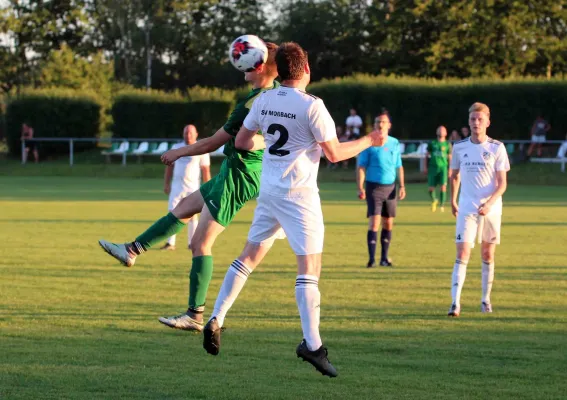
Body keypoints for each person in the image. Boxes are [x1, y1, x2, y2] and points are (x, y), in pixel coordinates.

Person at [200, 42, 382, 378]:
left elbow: (240, 142)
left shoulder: (265, 99)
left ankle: (217, 317)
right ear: (307, 70)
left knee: (248, 257)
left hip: (269, 191)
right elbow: (335, 154)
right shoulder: (313, 105)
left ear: (279, 72)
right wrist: (370, 140)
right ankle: (312, 345)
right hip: (299, 196)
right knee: (309, 268)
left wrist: (267, 141)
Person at [98, 42, 280, 332]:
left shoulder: (250, 104)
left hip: (239, 175)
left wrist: (179, 152)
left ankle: (195, 315)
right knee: (183, 208)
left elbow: (211, 143)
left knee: (200, 243)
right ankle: (131, 250)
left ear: (257, 66)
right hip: (235, 170)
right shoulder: (275, 93)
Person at [448, 102, 510, 317]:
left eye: (480, 119)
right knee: (463, 252)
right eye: (473, 119)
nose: (476, 122)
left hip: (491, 209)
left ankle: (485, 300)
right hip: (467, 207)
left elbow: (502, 183)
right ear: (469, 121)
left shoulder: (496, 148)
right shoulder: (459, 147)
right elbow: (454, 175)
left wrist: (490, 203)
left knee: (487, 253)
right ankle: (455, 303)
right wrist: (453, 201)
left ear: (487, 122)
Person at [356, 111, 406, 268]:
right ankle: (371, 259)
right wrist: (360, 187)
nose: (380, 124)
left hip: (390, 187)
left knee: (388, 223)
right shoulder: (369, 143)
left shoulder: (394, 143)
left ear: (389, 125)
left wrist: (402, 185)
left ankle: (384, 258)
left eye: (383, 122)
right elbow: (361, 167)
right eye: (377, 122)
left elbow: (399, 165)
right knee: (374, 222)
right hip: (373, 187)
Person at [161, 124, 211, 251]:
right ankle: (170, 243)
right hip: (177, 187)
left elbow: (205, 171)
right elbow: (169, 167)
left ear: (196, 134)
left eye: (190, 133)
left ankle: (191, 243)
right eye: (185, 133)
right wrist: (166, 184)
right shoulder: (176, 148)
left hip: (193, 188)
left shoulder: (202, 149)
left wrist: (209, 189)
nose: (187, 135)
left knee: (192, 216)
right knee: (172, 214)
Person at [425, 126, 451, 212]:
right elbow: (426, 155)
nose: (441, 132)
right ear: (437, 132)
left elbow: (450, 157)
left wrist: (450, 168)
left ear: (446, 133)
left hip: (443, 168)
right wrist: (425, 167)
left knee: (443, 187)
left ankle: (442, 205)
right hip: (433, 168)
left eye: (443, 130)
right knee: (431, 188)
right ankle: (434, 200)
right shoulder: (432, 143)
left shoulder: (447, 144)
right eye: (439, 130)